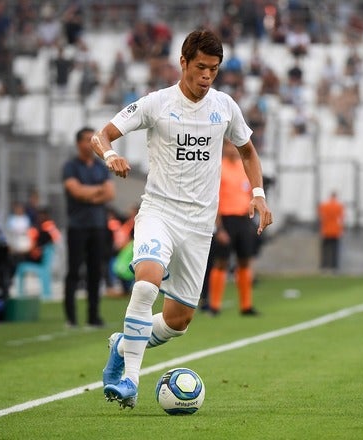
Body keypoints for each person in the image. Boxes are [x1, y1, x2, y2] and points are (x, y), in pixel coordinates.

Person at [90, 29, 273, 409]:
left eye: (214, 69)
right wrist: (111, 156)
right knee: (146, 283)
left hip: (199, 225)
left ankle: (122, 345)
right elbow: (101, 135)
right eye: (201, 67)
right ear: (184, 62)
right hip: (159, 212)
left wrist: (258, 193)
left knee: (179, 320)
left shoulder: (225, 107)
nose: (207, 76)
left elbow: (248, 151)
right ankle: (130, 380)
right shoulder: (156, 103)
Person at [62, 127, 115, 328]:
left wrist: (88, 194)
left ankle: (93, 316)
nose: (91, 143)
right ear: (78, 143)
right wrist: (98, 191)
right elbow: (76, 191)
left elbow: (110, 194)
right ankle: (71, 318)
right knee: (74, 272)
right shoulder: (70, 166)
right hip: (77, 226)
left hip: (98, 226)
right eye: (87, 139)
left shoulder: (102, 166)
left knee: (95, 271)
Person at [206, 140, 261, 316]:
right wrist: (219, 228)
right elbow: (214, 200)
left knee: (244, 261)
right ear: (223, 147)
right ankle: (214, 305)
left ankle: (246, 305)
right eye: (229, 145)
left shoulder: (243, 167)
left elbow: (250, 193)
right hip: (226, 219)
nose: (233, 149)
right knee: (221, 262)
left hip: (243, 219)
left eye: (234, 146)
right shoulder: (218, 168)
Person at [318, 191, 345, 271]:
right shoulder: (339, 206)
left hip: (326, 231)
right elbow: (341, 219)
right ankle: (334, 266)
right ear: (336, 196)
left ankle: (324, 266)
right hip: (335, 231)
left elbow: (321, 217)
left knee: (325, 250)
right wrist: (341, 230)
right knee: (335, 250)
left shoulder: (324, 205)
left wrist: (321, 229)